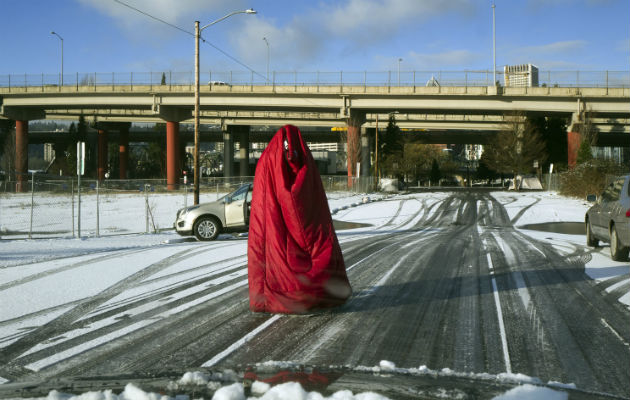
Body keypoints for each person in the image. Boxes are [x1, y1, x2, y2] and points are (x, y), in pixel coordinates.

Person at [247, 124, 352, 314]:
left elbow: (287, 194)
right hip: (272, 217)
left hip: (266, 220)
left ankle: (262, 297)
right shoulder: (304, 163)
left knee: (263, 252)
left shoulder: (266, 160)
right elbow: (293, 198)